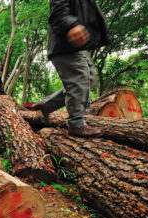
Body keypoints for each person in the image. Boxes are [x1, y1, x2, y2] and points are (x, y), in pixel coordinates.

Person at [26, 0, 109, 138]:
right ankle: (76, 125)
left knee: (88, 80)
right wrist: (71, 26)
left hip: (77, 47)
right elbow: (57, 12)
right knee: (79, 80)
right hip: (66, 45)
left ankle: (46, 105)